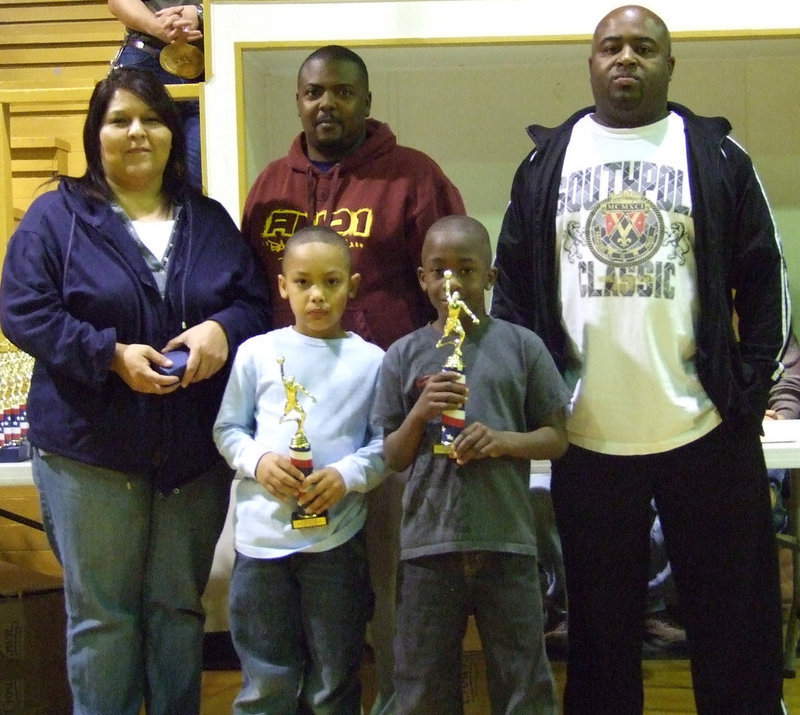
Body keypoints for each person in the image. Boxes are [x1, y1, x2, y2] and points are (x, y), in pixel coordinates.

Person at [491, 5, 790, 713]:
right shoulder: (545, 162)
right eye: (612, 46)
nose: (626, 58)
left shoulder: (717, 154)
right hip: (586, 437)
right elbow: (512, 295)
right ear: (592, 62)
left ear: (669, 64)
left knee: (734, 628)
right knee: (599, 640)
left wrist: (745, 396)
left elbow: (766, 280)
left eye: (644, 47)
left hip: (705, 431)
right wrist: (537, 404)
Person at [0, 67, 270, 714]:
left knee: (178, 609)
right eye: (119, 120)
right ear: (95, 134)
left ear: (172, 133)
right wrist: (109, 355)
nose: (137, 132)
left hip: (191, 456)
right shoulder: (56, 217)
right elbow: (23, 308)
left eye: (151, 119)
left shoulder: (208, 219)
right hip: (89, 453)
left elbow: (254, 303)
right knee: (104, 618)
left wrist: (221, 331)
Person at [241, 43, 466, 712]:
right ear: (298, 101)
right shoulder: (271, 186)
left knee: (396, 586)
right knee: (313, 599)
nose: (327, 103)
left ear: (367, 101)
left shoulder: (413, 177)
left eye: (342, 92)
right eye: (314, 92)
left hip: (391, 426)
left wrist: (438, 392)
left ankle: (400, 703)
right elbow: (252, 293)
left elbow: (453, 293)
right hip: (297, 437)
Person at [373, 215, 571, 713]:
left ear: (490, 276)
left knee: (523, 683)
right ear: (421, 278)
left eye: (465, 270)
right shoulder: (402, 355)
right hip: (427, 545)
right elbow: (393, 456)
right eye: (438, 271)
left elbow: (557, 438)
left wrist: (501, 441)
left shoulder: (522, 346)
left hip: (506, 541)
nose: (451, 283)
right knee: (421, 685)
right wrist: (420, 413)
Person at [213, 225, 387, 713]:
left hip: (335, 543)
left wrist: (347, 476)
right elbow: (228, 429)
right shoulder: (256, 353)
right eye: (303, 282)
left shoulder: (372, 361)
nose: (317, 295)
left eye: (331, 282)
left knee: (334, 678)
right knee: (265, 681)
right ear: (283, 286)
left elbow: (384, 445)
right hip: (261, 544)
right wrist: (259, 462)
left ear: (352, 286)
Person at [108, 0, 205, 187]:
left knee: (195, 179)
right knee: (131, 177)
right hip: (145, 55)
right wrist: (156, 26)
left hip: (212, 60)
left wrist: (200, 13)